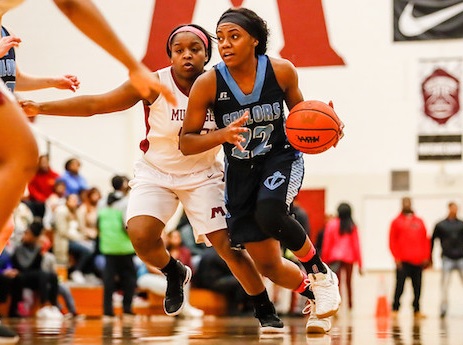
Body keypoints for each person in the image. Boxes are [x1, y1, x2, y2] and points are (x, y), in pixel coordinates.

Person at [20, 24, 285, 332]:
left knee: (228, 248)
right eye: (179, 50)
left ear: (206, 54)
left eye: (194, 49)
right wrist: (40, 106)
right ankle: (174, 271)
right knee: (141, 236)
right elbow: (97, 104)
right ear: (170, 56)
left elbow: (261, 111)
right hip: (156, 172)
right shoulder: (153, 84)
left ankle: (264, 308)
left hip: (202, 175)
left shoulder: (219, 84)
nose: (186, 55)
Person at [0, 0, 176, 341]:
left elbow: (14, 78)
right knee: (25, 152)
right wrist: (132, 65)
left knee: (7, 224)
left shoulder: (6, 29)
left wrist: (52, 81)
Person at [180, 7, 342, 333]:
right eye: (221, 38)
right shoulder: (208, 83)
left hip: (280, 157)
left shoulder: (281, 71)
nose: (225, 44)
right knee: (269, 266)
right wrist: (222, 135)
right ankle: (317, 296)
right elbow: (186, 141)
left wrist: (330, 125)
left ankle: (320, 273)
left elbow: (303, 117)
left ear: (255, 40)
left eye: (234, 36)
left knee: (271, 212)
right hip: (240, 172)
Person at [98, 187, 137, 320]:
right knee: (130, 279)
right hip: (124, 247)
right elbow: (126, 225)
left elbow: (97, 223)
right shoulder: (126, 202)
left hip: (108, 246)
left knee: (109, 280)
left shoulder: (102, 202)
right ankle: (127, 309)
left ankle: (107, 311)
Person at [389, 197, 430, 319]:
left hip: (418, 261)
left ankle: (416, 309)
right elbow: (392, 240)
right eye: (404, 203)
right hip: (403, 261)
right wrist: (396, 257)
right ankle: (395, 308)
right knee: (399, 286)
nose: (407, 204)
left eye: (408, 202)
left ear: (411, 204)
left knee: (417, 287)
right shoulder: (396, 222)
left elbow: (426, 239)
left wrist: (426, 256)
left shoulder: (419, 221)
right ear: (402, 204)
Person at [321, 202, 362, 311]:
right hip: (349, 258)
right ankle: (349, 306)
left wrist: (324, 261)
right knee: (348, 283)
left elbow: (327, 243)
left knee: (336, 283)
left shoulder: (331, 224)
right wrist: (360, 264)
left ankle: (336, 305)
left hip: (334, 258)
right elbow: (356, 245)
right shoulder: (352, 226)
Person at [431, 201, 463, 318]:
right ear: (449, 208)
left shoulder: (461, 224)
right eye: (453, 208)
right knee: (444, 285)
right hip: (447, 258)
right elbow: (432, 240)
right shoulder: (441, 225)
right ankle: (443, 308)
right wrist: (430, 258)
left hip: (460, 258)